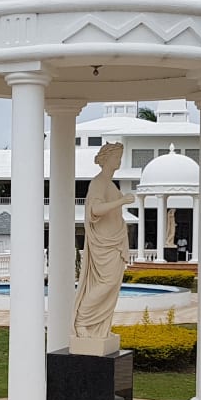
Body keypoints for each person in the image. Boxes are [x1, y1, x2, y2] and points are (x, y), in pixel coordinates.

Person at [72, 142, 135, 339]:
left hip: (114, 240)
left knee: (112, 284)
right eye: (116, 157)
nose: (119, 161)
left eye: (120, 157)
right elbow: (95, 210)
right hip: (104, 243)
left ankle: (99, 327)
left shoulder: (110, 184)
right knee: (107, 282)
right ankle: (82, 321)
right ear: (106, 159)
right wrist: (121, 201)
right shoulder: (98, 182)